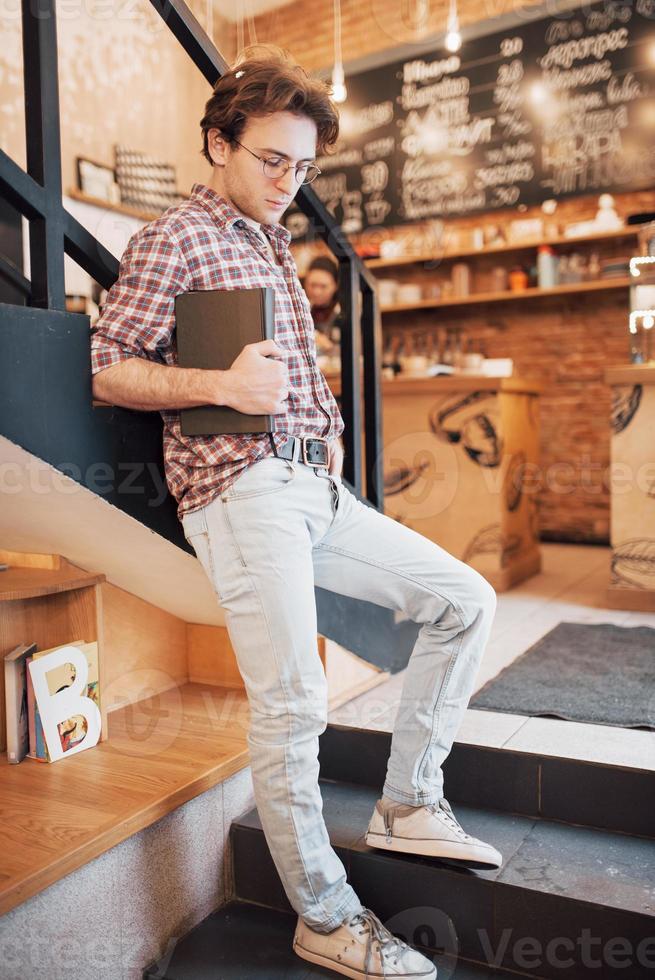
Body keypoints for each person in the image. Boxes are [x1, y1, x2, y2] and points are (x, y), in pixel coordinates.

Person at [90, 46, 500, 980]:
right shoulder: (176, 237)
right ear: (217, 143)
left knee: (463, 600)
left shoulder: (270, 238)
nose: (289, 182)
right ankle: (322, 916)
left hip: (317, 489)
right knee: (294, 703)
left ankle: (408, 801)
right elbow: (108, 367)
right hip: (241, 491)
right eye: (272, 159)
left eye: (304, 166)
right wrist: (217, 383)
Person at [303, 254, 343, 355]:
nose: (316, 292)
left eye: (323, 286)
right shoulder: (302, 309)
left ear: (335, 285)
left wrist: (328, 346)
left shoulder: (343, 312)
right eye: (312, 285)